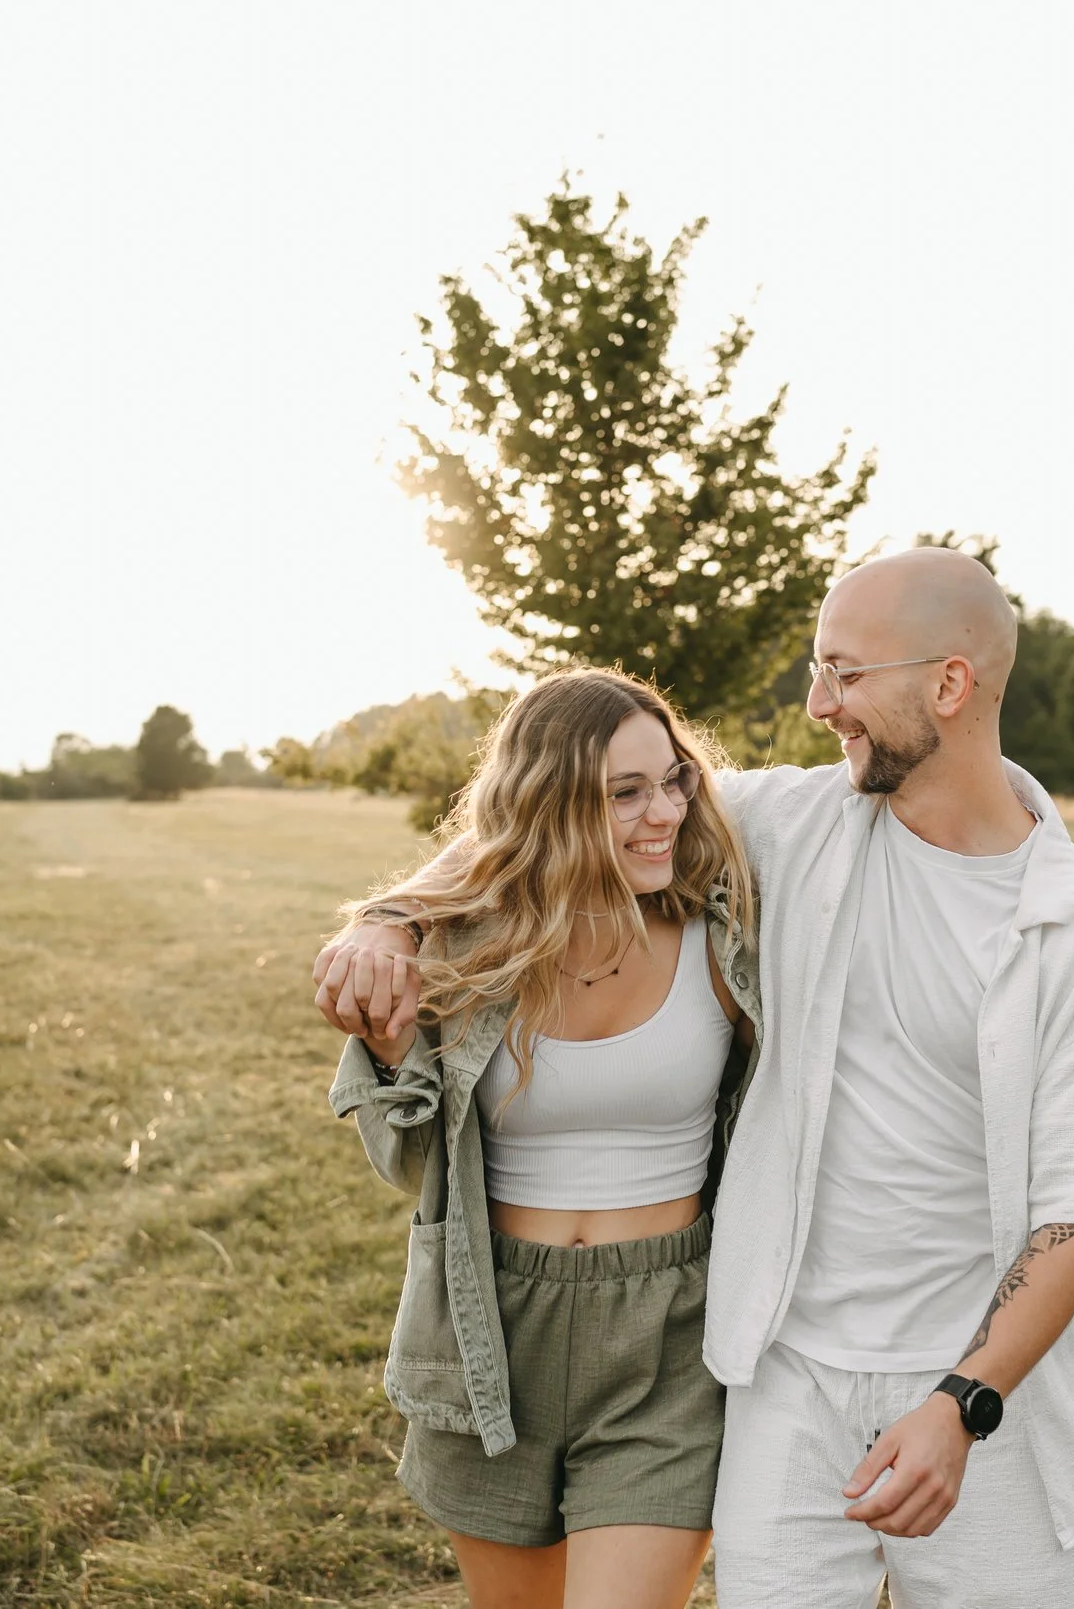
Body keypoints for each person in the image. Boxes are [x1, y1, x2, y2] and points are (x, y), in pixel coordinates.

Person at [321, 546, 1074, 1609]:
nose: (818, 703)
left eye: (844, 672)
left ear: (948, 683)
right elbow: (545, 816)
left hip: (975, 1389)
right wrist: (390, 918)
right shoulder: (798, 822)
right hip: (783, 1373)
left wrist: (962, 1402)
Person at [322, 667, 763, 1609]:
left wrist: (385, 914)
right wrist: (392, 1001)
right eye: (623, 793)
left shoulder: (724, 938)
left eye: (673, 778)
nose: (666, 813)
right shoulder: (467, 953)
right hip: (492, 1327)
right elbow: (410, 1166)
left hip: (667, 1336)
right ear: (552, 808)